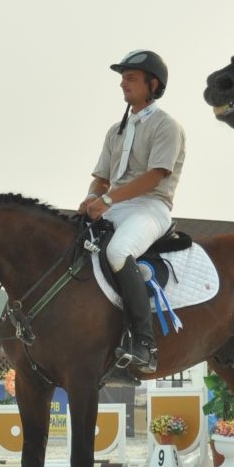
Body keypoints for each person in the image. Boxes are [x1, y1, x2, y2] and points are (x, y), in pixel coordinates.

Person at [78, 50, 187, 374]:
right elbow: (101, 178)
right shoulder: (116, 130)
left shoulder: (167, 126)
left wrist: (107, 201)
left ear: (152, 84)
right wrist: (89, 199)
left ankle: (144, 343)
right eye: (122, 78)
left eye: (131, 78)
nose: (123, 84)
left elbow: (155, 176)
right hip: (114, 205)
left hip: (150, 206)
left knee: (118, 251)